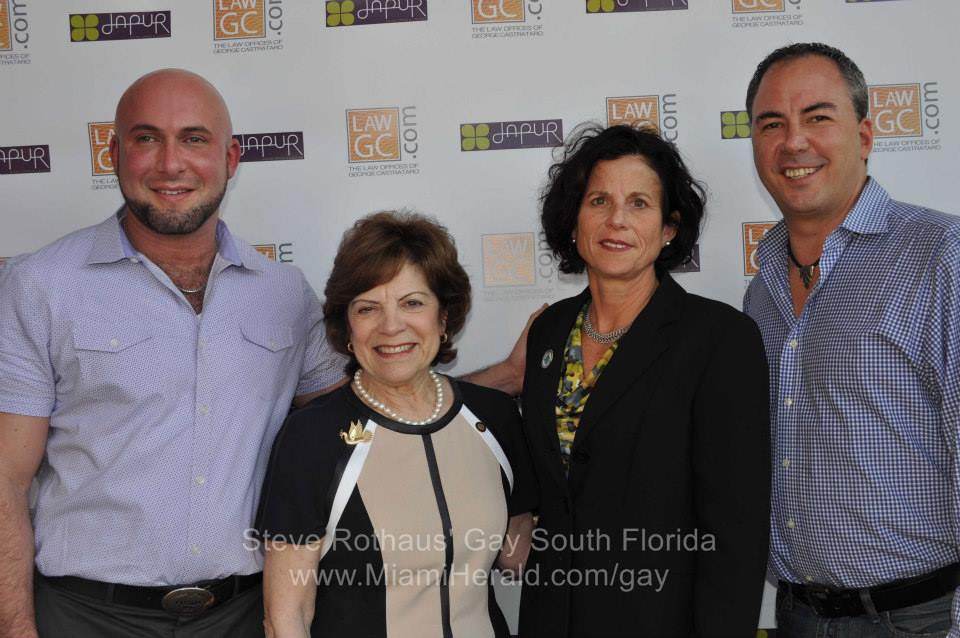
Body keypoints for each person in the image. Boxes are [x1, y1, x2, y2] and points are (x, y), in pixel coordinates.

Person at [0, 69, 529, 638]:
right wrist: (14, 626)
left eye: (195, 139)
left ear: (231, 159)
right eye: (147, 138)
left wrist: (502, 379)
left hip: (242, 616)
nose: (171, 163)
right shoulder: (42, 285)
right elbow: (7, 477)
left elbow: (373, 412)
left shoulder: (283, 294)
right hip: (87, 617)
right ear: (114, 152)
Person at [517, 124, 771, 637]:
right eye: (598, 201)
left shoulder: (720, 340)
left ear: (670, 228)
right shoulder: (548, 331)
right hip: (552, 619)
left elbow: (735, 535)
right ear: (573, 219)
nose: (617, 220)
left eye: (639, 204)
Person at [743, 43, 960, 636]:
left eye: (818, 117)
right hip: (798, 616)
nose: (794, 142)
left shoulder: (942, 256)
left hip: (920, 618)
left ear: (864, 135)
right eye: (772, 124)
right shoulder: (760, 292)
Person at [255, 211, 537, 638]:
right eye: (368, 308)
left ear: (443, 319)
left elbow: (516, 554)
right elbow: (286, 617)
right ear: (347, 329)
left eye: (413, 303)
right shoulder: (310, 438)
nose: (391, 326)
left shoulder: (496, 417)